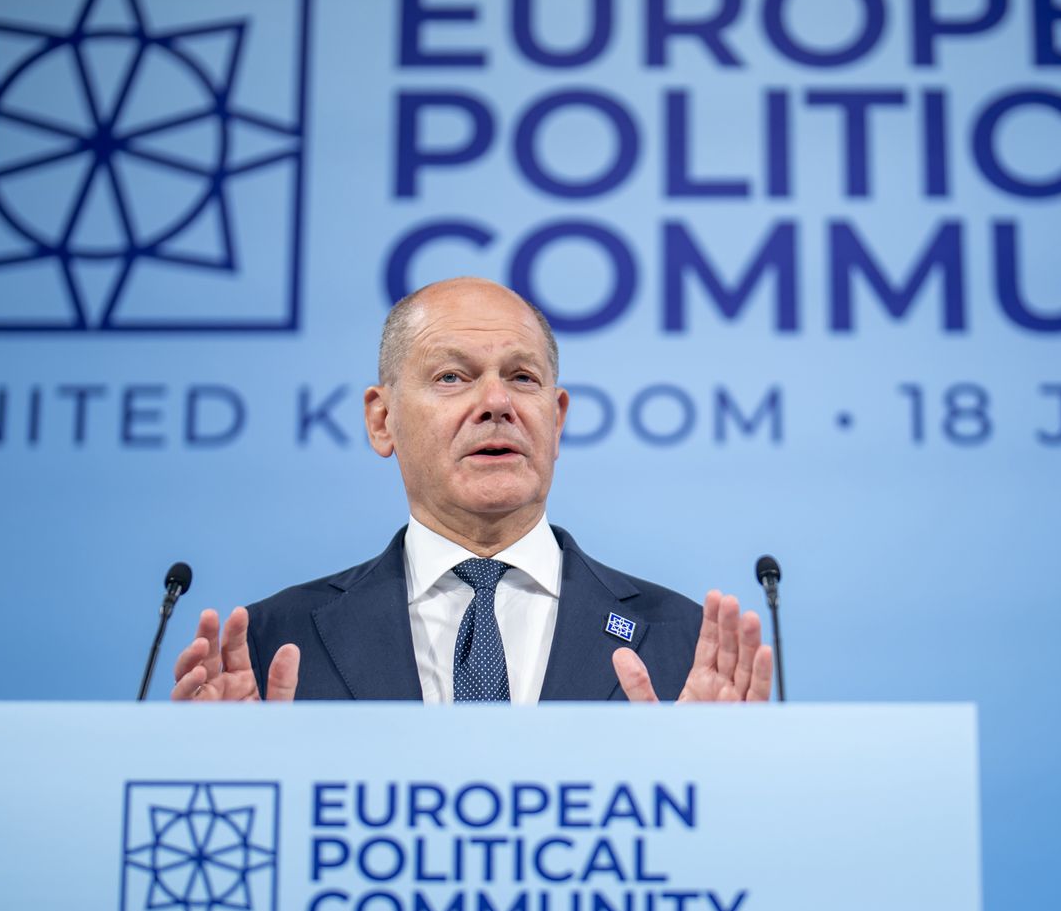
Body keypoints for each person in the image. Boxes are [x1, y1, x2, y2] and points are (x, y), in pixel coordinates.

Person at [171, 276, 773, 705]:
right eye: (452, 377)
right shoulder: (275, 643)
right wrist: (231, 768)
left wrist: (716, 777)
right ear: (383, 421)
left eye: (522, 377)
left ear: (556, 420)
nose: (496, 404)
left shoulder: (686, 645)